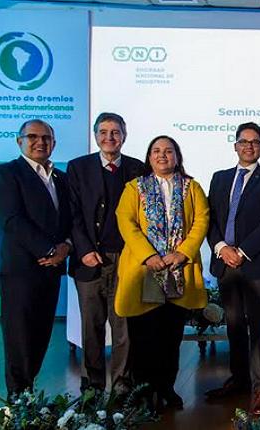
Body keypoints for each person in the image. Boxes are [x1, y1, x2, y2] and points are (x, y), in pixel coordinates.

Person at [114, 135, 209, 411]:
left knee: (171, 336)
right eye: (156, 150)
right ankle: (143, 391)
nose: (162, 155)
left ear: (177, 156)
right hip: (144, 270)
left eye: (168, 151)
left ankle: (166, 388)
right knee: (143, 337)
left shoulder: (192, 187)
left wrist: (183, 253)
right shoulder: (134, 187)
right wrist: (149, 255)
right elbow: (126, 222)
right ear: (149, 157)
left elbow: (201, 220)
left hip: (178, 270)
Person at [204, 122, 260, 415]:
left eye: (255, 142)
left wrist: (241, 252)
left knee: (259, 327)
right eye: (243, 141)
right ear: (235, 145)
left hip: (256, 265)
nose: (249, 146)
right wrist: (221, 248)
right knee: (235, 325)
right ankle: (239, 380)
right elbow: (210, 220)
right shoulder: (220, 178)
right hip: (225, 263)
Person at [0, 119, 72, 396]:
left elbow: (69, 219)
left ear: (54, 143)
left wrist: (65, 247)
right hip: (19, 269)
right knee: (19, 337)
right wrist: (49, 250)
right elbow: (11, 219)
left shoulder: (61, 178)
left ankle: (28, 395)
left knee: (40, 335)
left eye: (46, 138)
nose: (40, 142)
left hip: (51, 268)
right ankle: (17, 398)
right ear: (19, 141)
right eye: (33, 136)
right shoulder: (6, 173)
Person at [67, 112, 144, 395]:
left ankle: (123, 384)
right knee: (92, 326)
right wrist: (84, 250)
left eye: (115, 132)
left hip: (126, 261)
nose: (109, 137)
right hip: (89, 261)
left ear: (124, 135)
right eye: (103, 132)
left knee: (124, 327)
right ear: (95, 135)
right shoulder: (78, 167)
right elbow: (71, 214)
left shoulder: (138, 168)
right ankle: (92, 386)